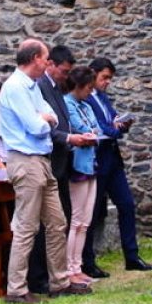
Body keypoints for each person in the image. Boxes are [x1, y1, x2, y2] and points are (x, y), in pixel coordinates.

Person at [0, 39, 90, 304]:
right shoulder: (15, 88)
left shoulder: (32, 87)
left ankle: (59, 282)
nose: (48, 63)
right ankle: (16, 289)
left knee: (57, 222)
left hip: (41, 160)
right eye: (46, 58)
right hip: (25, 160)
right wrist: (43, 119)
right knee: (26, 227)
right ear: (35, 58)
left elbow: (51, 116)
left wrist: (44, 117)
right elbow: (36, 126)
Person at [82, 57, 152, 275]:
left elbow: (112, 120)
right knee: (92, 211)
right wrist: (116, 128)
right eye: (104, 78)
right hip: (98, 158)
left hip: (113, 158)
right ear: (92, 74)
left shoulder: (103, 97)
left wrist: (122, 124)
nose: (107, 82)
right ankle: (88, 260)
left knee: (127, 204)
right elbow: (103, 127)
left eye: (109, 79)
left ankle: (131, 256)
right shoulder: (86, 98)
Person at [30, 44, 93, 293]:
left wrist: (75, 135)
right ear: (51, 65)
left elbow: (60, 121)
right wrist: (69, 138)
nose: (67, 77)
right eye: (64, 71)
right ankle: (41, 277)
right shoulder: (41, 88)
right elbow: (45, 127)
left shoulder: (56, 87)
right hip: (50, 161)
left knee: (61, 220)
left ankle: (59, 273)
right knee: (44, 224)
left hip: (62, 163)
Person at [62, 66, 101, 286]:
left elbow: (94, 129)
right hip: (78, 165)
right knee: (76, 219)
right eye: (87, 87)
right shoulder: (68, 103)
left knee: (85, 221)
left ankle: (78, 266)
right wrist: (89, 134)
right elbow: (81, 128)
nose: (89, 91)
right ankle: (70, 269)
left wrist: (91, 133)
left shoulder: (86, 105)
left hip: (91, 163)